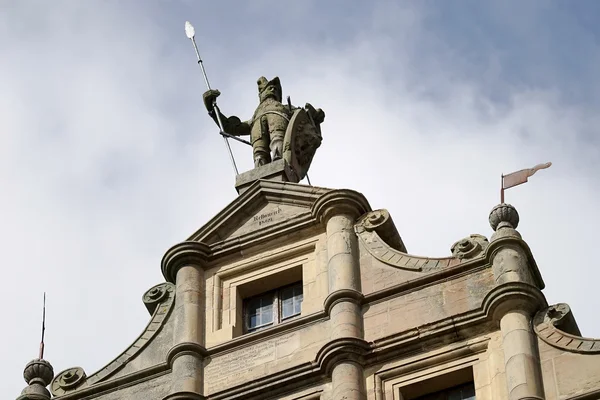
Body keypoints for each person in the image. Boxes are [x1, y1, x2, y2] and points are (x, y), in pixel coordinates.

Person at [203, 76, 324, 168]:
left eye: (275, 89)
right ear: (261, 94)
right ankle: (260, 171)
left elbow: (305, 117)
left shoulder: (287, 108)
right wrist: (212, 109)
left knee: (278, 142)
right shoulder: (255, 115)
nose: (272, 89)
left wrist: (315, 114)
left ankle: (280, 163)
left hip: (279, 127)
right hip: (257, 131)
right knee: (259, 153)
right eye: (269, 88)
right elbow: (230, 127)